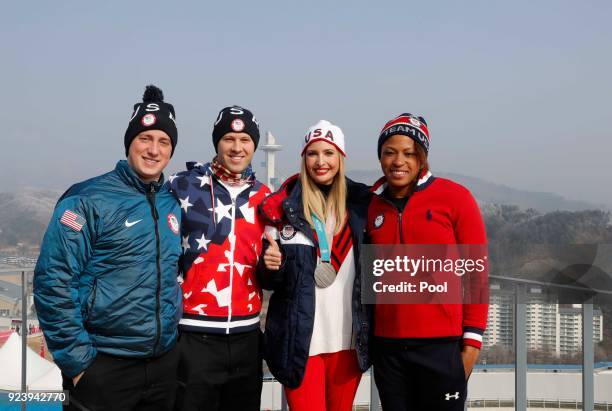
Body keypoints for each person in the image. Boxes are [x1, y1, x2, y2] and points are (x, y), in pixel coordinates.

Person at [34, 85, 183, 411]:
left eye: (164, 142)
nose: (153, 150)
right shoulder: (87, 199)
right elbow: (53, 281)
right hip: (104, 364)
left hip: (163, 363)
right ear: (130, 142)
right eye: (145, 138)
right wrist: (79, 365)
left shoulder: (172, 203)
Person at [366, 113, 489, 410]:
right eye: (390, 152)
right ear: (380, 156)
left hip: (441, 347)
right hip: (388, 348)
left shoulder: (455, 197)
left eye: (409, 153)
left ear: (422, 158)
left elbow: (476, 273)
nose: (399, 161)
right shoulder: (369, 203)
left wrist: (471, 344)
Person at [258, 120, 371, 411]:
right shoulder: (284, 207)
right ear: (303, 158)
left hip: (348, 342)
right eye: (313, 153)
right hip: (301, 343)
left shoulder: (361, 207)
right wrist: (271, 266)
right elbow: (269, 281)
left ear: (341, 158)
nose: (321, 161)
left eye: (329, 153)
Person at [169, 106, 270, 411]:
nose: (237, 147)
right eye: (229, 138)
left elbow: (269, 267)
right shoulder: (182, 185)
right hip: (193, 335)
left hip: (247, 338)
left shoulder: (265, 196)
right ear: (217, 143)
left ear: (254, 145)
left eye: (245, 139)